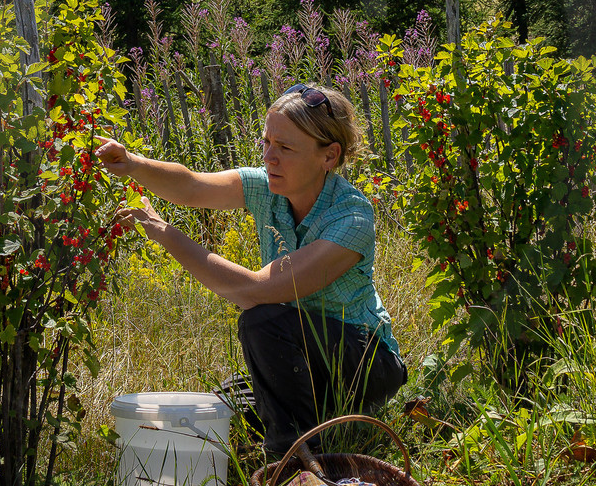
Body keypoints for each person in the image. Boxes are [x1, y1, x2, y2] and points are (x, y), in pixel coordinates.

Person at [96, 82, 406, 458]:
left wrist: (164, 232)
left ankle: (296, 461)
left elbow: (254, 291)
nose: (270, 157)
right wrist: (133, 164)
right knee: (222, 409)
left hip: (364, 364)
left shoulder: (351, 217)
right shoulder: (267, 187)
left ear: (329, 155)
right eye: (266, 142)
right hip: (303, 357)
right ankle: (302, 428)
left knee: (262, 320)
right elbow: (192, 188)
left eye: (286, 147)